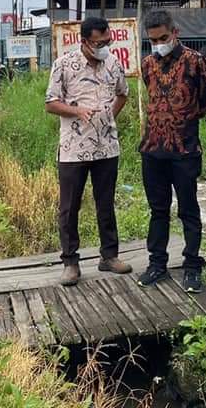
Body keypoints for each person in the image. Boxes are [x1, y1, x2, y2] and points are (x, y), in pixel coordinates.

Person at [45, 16, 131, 286]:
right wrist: (76, 111)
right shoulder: (64, 65)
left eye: (107, 41)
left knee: (106, 203)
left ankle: (109, 256)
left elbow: (123, 93)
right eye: (99, 42)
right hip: (74, 149)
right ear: (84, 41)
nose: (104, 46)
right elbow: (51, 103)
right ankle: (70, 262)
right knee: (69, 207)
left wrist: (110, 118)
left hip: (107, 146)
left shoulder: (113, 63)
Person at [137, 10, 206, 294]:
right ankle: (157, 264)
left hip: (184, 149)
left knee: (188, 210)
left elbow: (205, 104)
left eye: (163, 38)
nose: (158, 44)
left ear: (175, 33)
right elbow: (153, 97)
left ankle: (192, 266)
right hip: (152, 150)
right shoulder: (147, 64)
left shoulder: (195, 62)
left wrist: (181, 123)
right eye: (153, 40)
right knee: (158, 211)